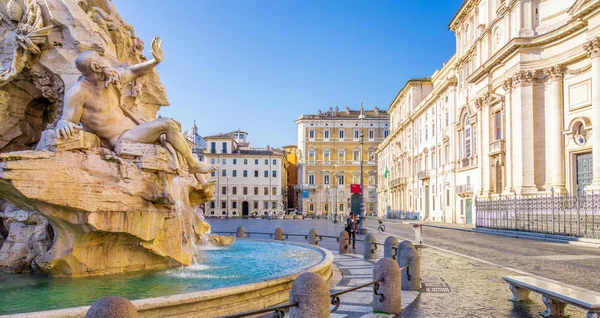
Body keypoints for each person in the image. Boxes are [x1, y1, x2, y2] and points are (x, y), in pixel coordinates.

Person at [56, 37, 217, 181]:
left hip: (136, 128)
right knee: (167, 124)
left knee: (175, 139)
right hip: (121, 139)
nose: (105, 60)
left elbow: (133, 71)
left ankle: (199, 177)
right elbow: (68, 119)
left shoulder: (110, 79)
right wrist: (63, 123)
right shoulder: (79, 91)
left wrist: (155, 61)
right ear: (96, 67)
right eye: (100, 58)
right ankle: (193, 164)